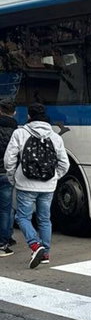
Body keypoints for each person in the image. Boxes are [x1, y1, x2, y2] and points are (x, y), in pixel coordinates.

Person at [3, 103, 69, 268]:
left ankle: (35, 245)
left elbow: (9, 160)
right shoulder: (55, 137)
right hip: (48, 186)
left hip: (25, 184)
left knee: (22, 217)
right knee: (44, 219)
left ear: (29, 116)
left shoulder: (20, 133)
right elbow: (64, 164)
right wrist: (54, 177)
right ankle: (45, 253)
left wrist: (13, 178)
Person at [0, 98, 18, 256]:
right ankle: (4, 241)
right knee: (7, 209)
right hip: (7, 173)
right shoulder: (17, 132)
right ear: (15, 113)